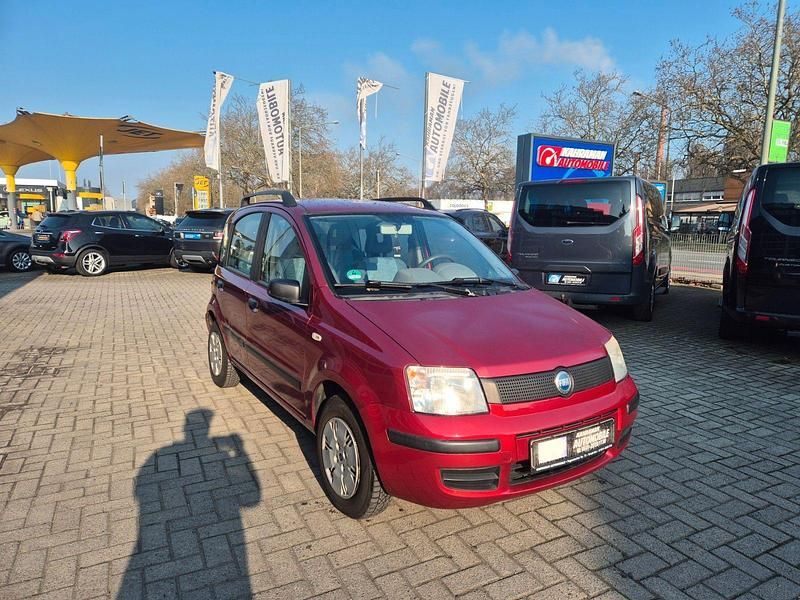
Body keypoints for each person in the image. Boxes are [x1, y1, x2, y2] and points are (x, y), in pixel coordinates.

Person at [116, 409, 261, 599]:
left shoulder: (160, 453)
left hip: (147, 538)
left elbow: (138, 492)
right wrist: (239, 451)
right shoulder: (164, 453)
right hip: (229, 533)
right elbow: (251, 499)